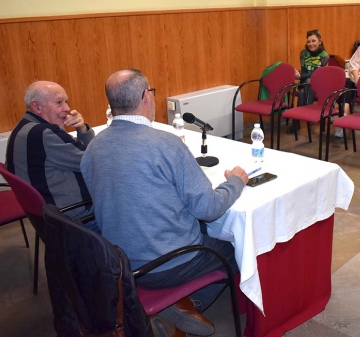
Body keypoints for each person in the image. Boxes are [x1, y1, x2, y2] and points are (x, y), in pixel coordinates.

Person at [80, 69, 248, 336]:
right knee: (238, 248)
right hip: (168, 264)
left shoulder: (93, 147)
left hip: (119, 262)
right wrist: (236, 182)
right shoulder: (166, 144)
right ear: (146, 96)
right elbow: (209, 209)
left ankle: (174, 306)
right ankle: (185, 306)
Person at [6, 81, 96, 227]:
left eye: (66, 102)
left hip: (48, 217)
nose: (67, 108)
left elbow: (78, 154)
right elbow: (93, 160)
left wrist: (82, 129)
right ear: (36, 106)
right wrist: (85, 134)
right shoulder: (46, 134)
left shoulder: (23, 127)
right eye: (59, 102)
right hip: (77, 219)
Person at [288, 29, 329, 133]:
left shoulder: (324, 56)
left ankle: (297, 120)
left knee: (309, 81)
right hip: (305, 81)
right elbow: (305, 70)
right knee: (304, 88)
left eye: (313, 41)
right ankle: (306, 117)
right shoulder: (304, 53)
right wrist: (300, 76)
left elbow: (316, 74)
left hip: (320, 84)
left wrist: (299, 76)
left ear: (320, 41)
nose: (311, 44)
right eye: (308, 41)